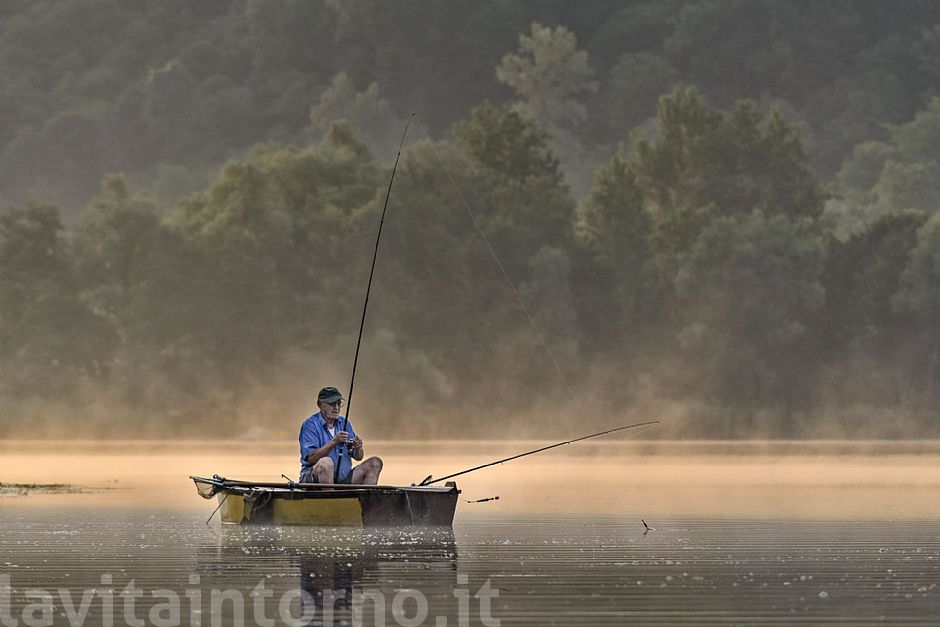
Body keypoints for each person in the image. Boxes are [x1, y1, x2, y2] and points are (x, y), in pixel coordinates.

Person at [299, 386, 383, 484]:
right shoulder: (310, 425)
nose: (336, 408)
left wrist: (358, 448)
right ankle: (331, 498)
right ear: (320, 404)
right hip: (314, 481)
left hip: (343, 480)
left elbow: (358, 457)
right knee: (326, 463)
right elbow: (311, 458)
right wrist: (334, 442)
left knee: (375, 463)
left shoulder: (344, 423)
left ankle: (367, 498)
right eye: (332, 404)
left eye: (338, 403)